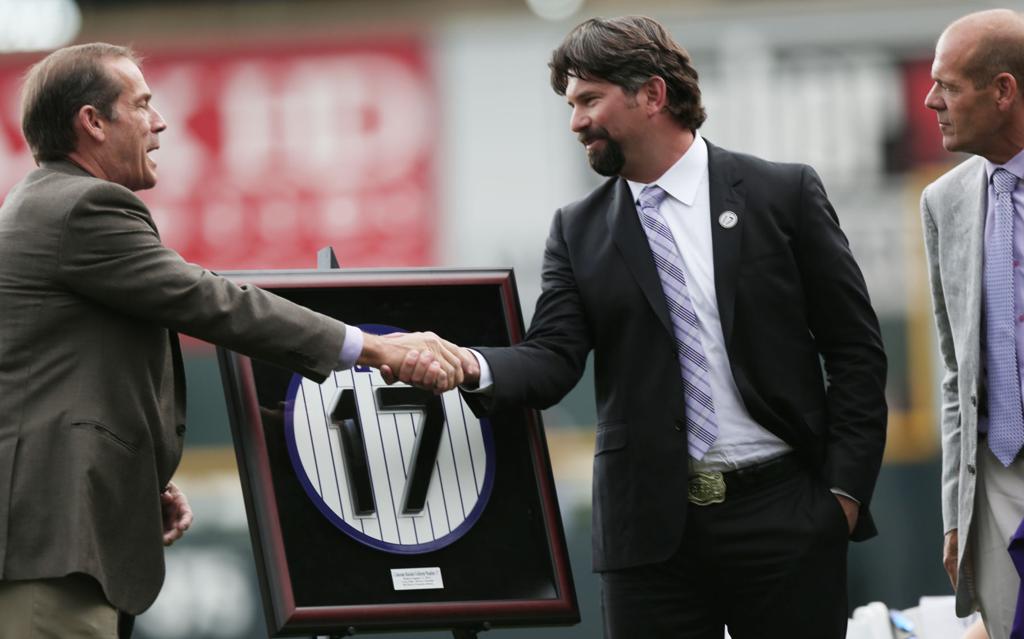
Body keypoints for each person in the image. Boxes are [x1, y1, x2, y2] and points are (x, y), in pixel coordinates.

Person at [0, 43, 475, 638]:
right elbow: (213, 301)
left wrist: (132, 475)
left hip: (51, 537)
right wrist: (376, 349)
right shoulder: (82, 206)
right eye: (142, 105)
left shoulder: (43, 206)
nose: (161, 121)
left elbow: (54, 382)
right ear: (92, 122)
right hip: (48, 546)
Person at [442, 15, 888, 639]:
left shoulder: (781, 194)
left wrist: (841, 498)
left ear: (652, 95)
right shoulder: (577, 230)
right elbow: (552, 358)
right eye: (571, 105)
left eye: (589, 100)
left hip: (787, 518)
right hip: (648, 540)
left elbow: (856, 353)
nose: (575, 122)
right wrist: (471, 365)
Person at [921, 9, 1024, 638]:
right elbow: (958, 374)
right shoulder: (944, 201)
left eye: (949, 86)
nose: (931, 100)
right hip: (995, 482)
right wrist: (956, 513)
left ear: (1004, 90)